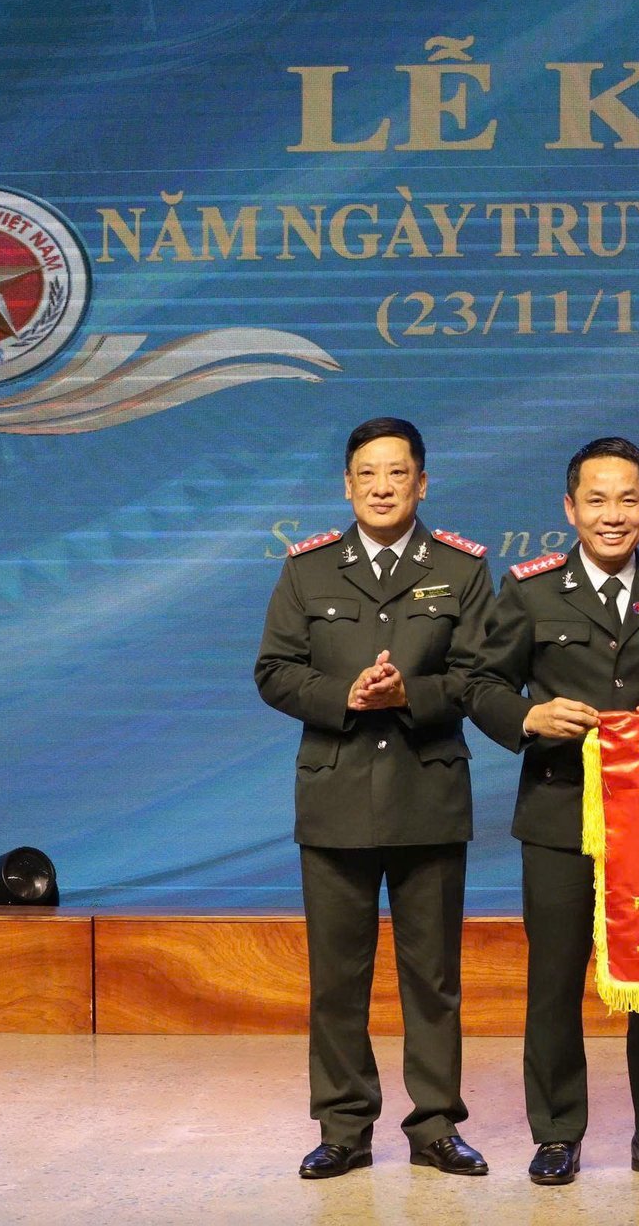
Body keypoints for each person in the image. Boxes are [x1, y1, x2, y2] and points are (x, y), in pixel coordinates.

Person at [468, 436, 639, 1186]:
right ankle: (557, 1133)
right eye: (596, 499)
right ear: (569, 508)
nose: (611, 515)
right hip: (558, 812)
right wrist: (530, 718)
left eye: (627, 500)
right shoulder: (528, 590)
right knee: (555, 978)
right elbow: (482, 685)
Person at [254, 416, 494, 1180]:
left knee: (434, 978)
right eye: (368, 473)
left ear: (422, 483)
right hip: (335, 799)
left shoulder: (461, 569)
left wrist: (409, 695)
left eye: (398, 473)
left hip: (428, 795)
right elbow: (274, 670)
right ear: (347, 484)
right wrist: (346, 696)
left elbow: (481, 678)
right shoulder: (308, 570)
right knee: (337, 978)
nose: (382, 486)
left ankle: (434, 1126)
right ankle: (344, 1126)